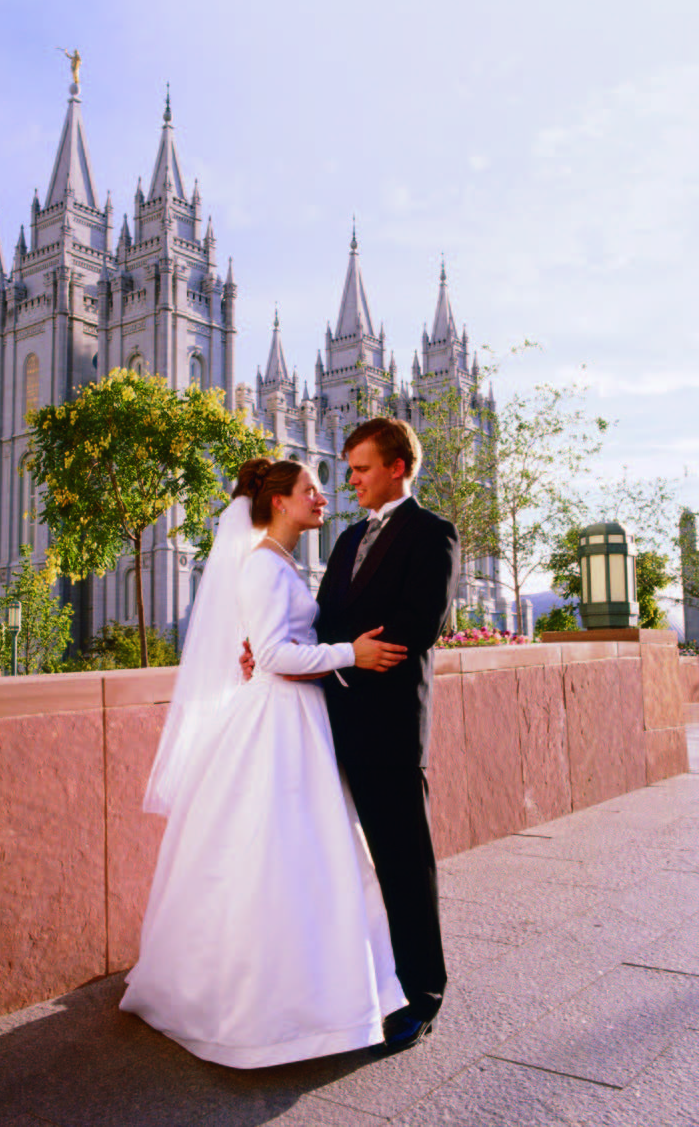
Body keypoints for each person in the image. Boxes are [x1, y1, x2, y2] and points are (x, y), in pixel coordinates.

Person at [119, 458, 410, 1068]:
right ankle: (264, 1011)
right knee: (277, 856)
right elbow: (277, 655)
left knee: (305, 858)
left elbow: (269, 646)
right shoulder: (261, 567)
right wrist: (351, 654)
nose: (323, 496)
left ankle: (323, 998)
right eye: (310, 490)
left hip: (298, 718)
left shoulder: (278, 564)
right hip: (280, 722)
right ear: (279, 501)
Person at [244, 418, 460, 1056]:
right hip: (328, 728)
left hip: (389, 730)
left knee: (403, 863)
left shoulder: (433, 534)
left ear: (397, 467)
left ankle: (422, 996)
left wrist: (352, 659)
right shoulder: (343, 542)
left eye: (362, 469)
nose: (352, 482)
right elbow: (323, 626)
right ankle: (372, 985)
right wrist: (267, 650)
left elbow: (417, 626)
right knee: (348, 870)